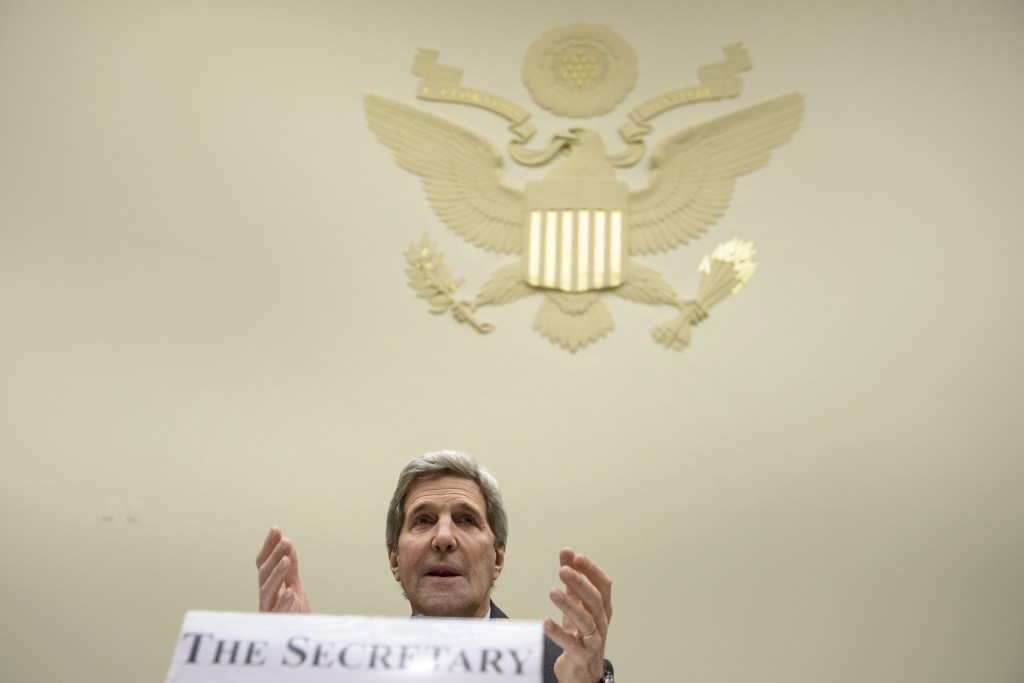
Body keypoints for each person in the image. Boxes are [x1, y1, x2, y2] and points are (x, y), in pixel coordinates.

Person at [256, 449, 614, 683]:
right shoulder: (347, 671)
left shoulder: (568, 669)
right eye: (423, 520)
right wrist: (285, 667)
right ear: (394, 559)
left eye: (467, 520)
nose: (444, 537)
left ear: (497, 558)